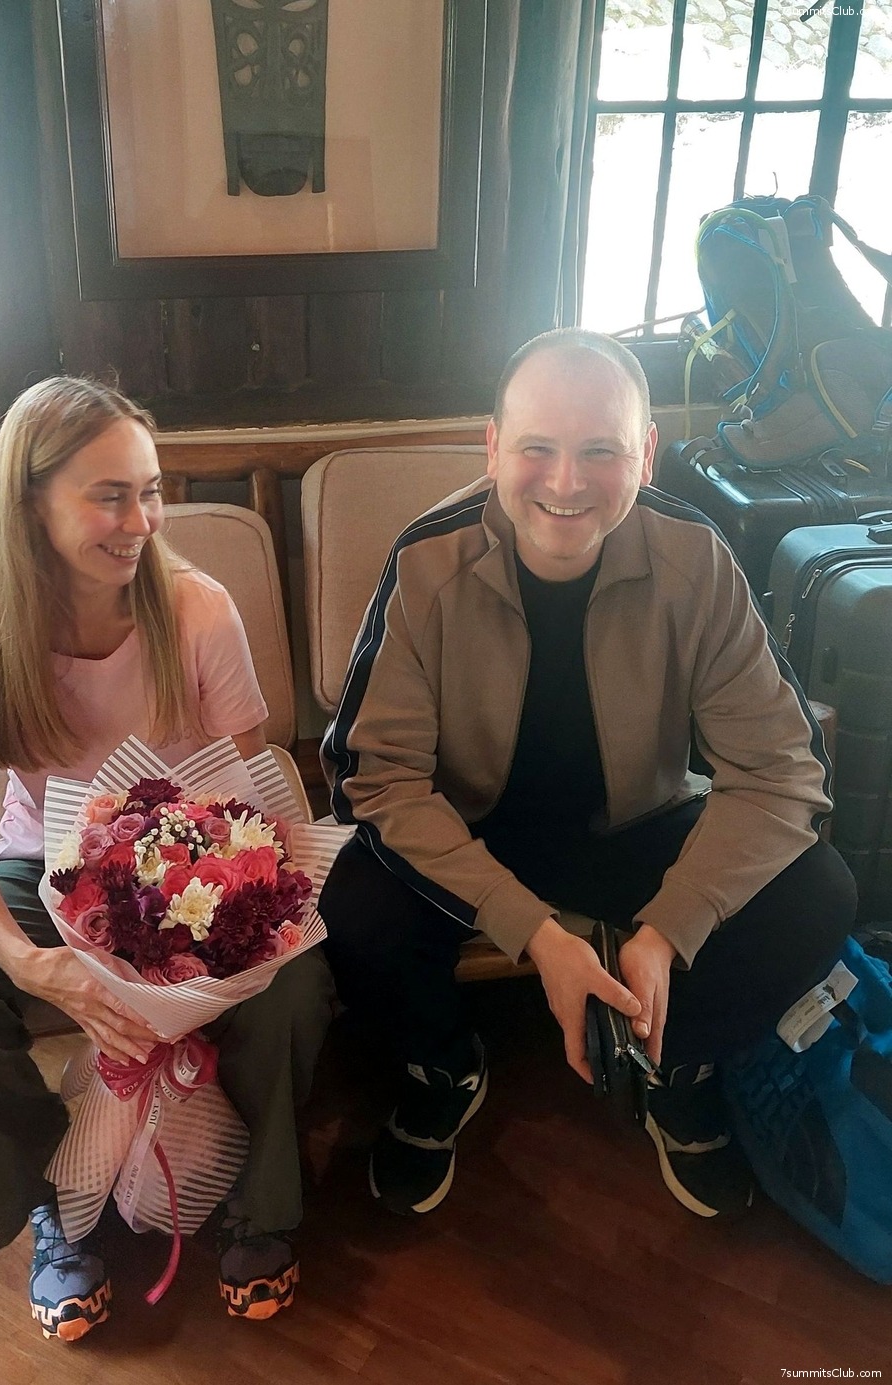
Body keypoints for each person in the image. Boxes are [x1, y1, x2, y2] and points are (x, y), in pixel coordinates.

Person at [318, 328, 857, 1223]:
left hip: (636, 827)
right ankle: (444, 1067)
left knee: (819, 892)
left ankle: (675, 1063)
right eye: (538, 447)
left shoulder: (697, 559)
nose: (566, 483)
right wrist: (535, 932)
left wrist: (668, 930)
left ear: (645, 453)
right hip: (475, 831)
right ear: (493, 447)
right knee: (356, 904)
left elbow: (781, 772)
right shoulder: (426, 560)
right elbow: (379, 781)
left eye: (601, 450)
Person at [0, 377, 332, 1339]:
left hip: (194, 864)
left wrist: (218, 942)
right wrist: (28, 960)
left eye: (150, 491)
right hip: (44, 865)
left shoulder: (197, 608)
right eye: (110, 495)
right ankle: (55, 1191)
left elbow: (252, 789)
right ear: (30, 501)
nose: (142, 521)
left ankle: (259, 1203)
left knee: (295, 981)